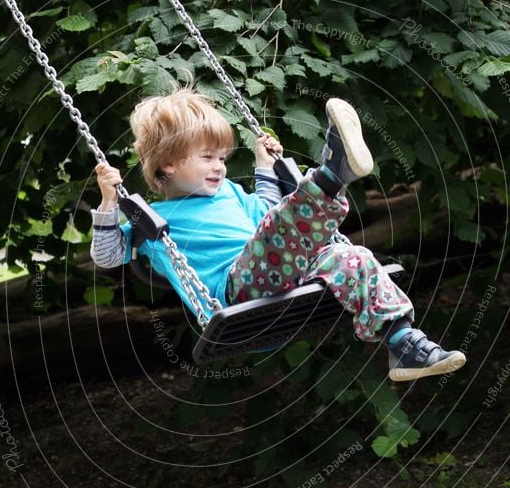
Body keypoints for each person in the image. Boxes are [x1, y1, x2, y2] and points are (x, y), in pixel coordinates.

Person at [90, 88, 466, 382]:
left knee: (353, 258)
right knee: (278, 229)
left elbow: (268, 212)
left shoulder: (232, 195)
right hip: (235, 298)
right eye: (207, 157)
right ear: (168, 163)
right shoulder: (154, 221)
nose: (219, 166)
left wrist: (264, 163)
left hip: (285, 277)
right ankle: (332, 175)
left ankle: (404, 345)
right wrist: (109, 203)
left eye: (222, 157)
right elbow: (108, 255)